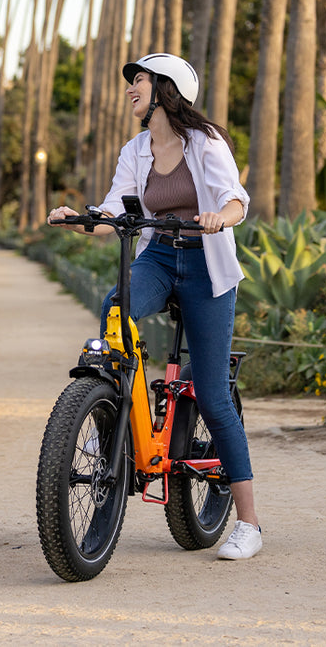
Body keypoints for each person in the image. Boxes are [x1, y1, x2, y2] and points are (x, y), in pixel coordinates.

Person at [47, 52, 262, 561]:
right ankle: (115, 415)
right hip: (159, 258)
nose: (130, 88)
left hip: (206, 264)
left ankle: (249, 523)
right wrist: (79, 218)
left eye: (138, 80)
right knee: (116, 307)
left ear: (166, 88)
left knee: (212, 395)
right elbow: (114, 210)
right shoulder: (136, 149)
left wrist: (219, 218)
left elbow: (237, 199)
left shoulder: (206, 142)